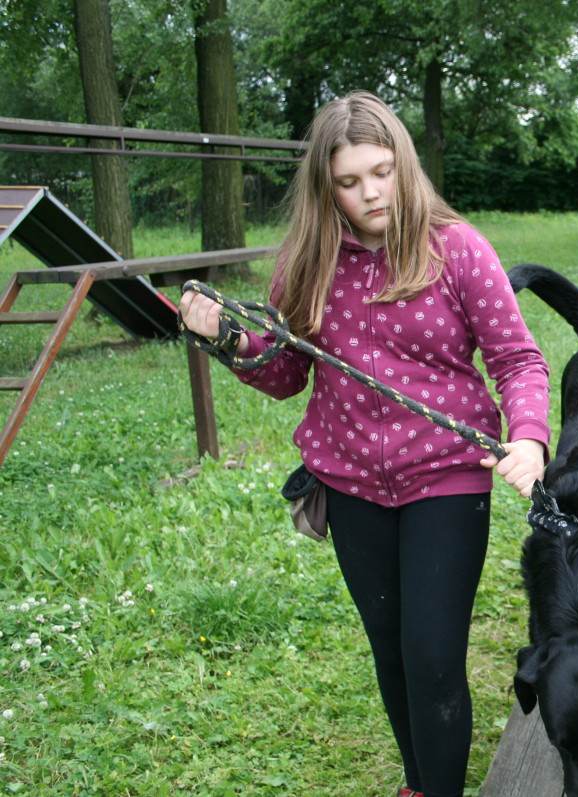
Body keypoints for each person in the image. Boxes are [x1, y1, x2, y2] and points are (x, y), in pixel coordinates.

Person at [178, 91, 550, 797]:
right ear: (328, 187)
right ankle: (420, 782)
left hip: (446, 477)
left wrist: (528, 435)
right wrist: (226, 338)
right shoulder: (310, 260)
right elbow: (286, 370)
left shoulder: (456, 248)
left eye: (380, 171)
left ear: (402, 164)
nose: (369, 192)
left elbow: (517, 360)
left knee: (433, 656)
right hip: (349, 483)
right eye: (348, 182)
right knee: (391, 648)